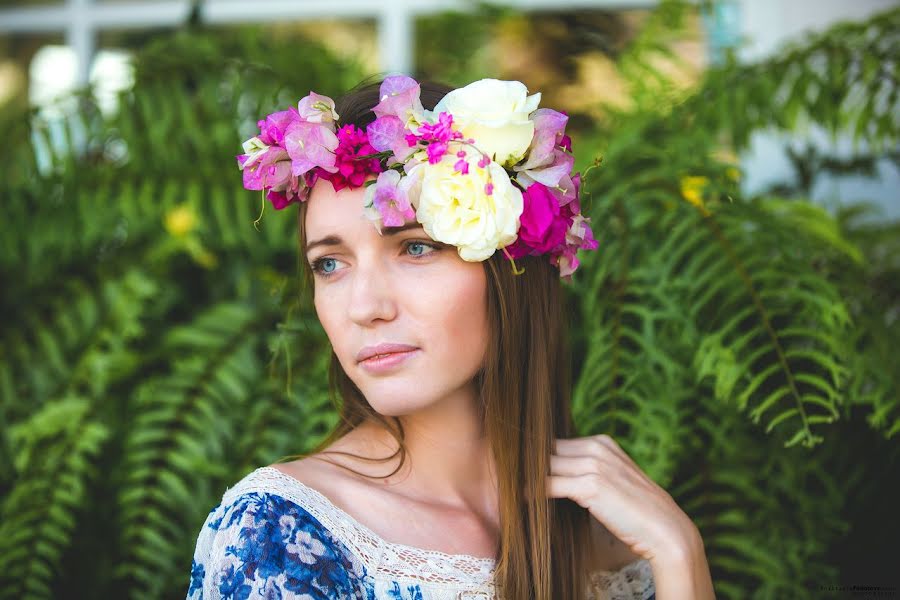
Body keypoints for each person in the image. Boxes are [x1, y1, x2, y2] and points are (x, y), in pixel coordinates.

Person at [186, 76, 715, 599]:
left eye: (416, 248)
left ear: (511, 263)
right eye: (329, 263)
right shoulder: (282, 538)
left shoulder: (618, 541)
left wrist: (678, 554)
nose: (365, 308)